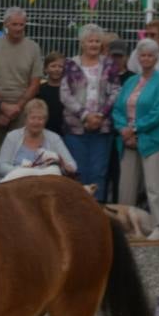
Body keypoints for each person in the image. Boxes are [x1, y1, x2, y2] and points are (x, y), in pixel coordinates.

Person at [111, 39, 159, 239]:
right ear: (138, 57)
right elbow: (119, 108)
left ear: (156, 58)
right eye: (142, 55)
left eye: (150, 55)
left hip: (152, 139)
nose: (146, 59)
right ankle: (124, 225)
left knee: (153, 186)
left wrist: (135, 129)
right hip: (127, 139)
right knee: (126, 186)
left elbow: (158, 113)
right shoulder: (130, 81)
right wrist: (122, 129)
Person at [0, 7, 42, 170]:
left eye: (22, 25)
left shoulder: (33, 48)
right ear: (6, 24)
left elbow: (35, 83)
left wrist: (17, 107)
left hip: (22, 106)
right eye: (14, 24)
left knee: (19, 155)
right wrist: (2, 106)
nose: (18, 28)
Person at [60, 24, 118, 202]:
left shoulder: (109, 65)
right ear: (82, 43)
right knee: (78, 172)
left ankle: (98, 213)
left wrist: (100, 116)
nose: (93, 44)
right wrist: (85, 115)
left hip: (102, 128)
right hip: (76, 128)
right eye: (90, 41)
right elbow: (64, 93)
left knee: (98, 172)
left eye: (97, 41)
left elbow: (116, 91)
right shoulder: (71, 64)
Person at [0, 98, 77, 180]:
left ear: (46, 120)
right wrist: (25, 171)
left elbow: (72, 165)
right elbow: (1, 167)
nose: (36, 122)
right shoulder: (12, 136)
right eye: (33, 118)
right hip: (16, 182)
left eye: (40, 118)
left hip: (46, 183)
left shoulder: (54, 138)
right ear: (25, 119)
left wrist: (66, 167)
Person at [36, 51, 65, 136]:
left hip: (64, 133)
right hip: (43, 131)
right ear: (45, 69)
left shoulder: (68, 91)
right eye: (53, 66)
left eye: (60, 66)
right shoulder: (39, 90)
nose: (57, 69)